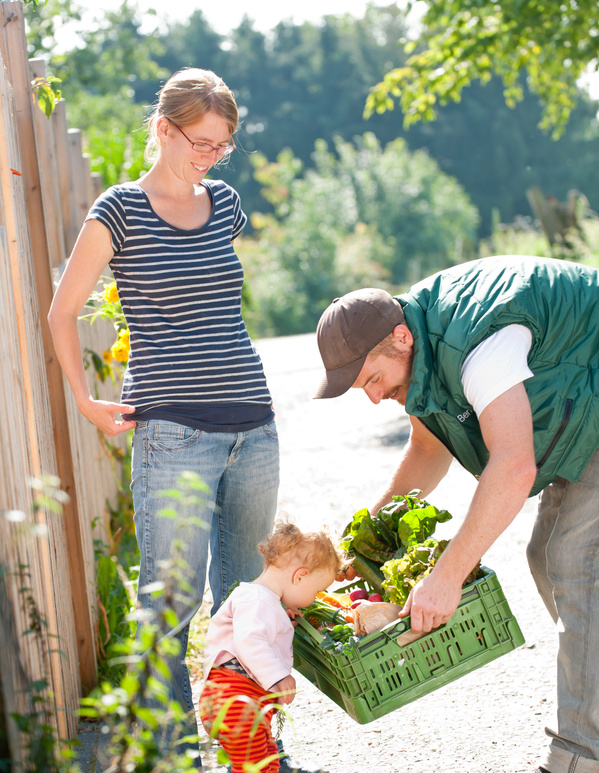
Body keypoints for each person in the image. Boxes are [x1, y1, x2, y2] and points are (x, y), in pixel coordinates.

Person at [47, 68, 280, 761]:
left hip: (253, 423)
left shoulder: (227, 202)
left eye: (222, 145)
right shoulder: (118, 211)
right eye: (199, 141)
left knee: (247, 601)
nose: (209, 156)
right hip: (172, 432)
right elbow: (62, 311)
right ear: (163, 128)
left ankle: (248, 744)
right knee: (169, 603)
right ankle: (177, 751)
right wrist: (87, 401)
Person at [313, 254, 599, 773]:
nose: (375, 398)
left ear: (400, 338)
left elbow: (514, 467)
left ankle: (580, 756)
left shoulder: (476, 346)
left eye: (374, 379)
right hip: (587, 399)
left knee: (575, 560)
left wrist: (447, 577)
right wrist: (361, 545)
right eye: (364, 389)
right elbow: (426, 451)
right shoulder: (420, 339)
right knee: (545, 557)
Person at [199, 520, 344, 773]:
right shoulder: (257, 600)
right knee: (257, 767)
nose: (315, 598)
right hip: (236, 701)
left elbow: (255, 629)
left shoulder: (261, 599)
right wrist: (278, 675)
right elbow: (250, 641)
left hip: (238, 701)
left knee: (267, 761)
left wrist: (280, 617)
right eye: (318, 590)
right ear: (300, 576)